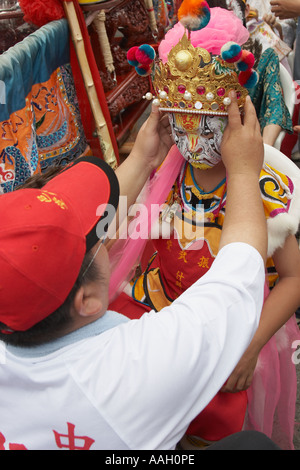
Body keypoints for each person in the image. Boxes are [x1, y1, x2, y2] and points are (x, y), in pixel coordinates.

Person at [0, 94, 278, 450]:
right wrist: (242, 171)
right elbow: (240, 275)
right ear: (86, 300)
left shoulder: (20, 312)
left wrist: (143, 158)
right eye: (94, 241)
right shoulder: (135, 367)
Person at [113, 4, 300, 449]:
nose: (193, 139)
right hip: (162, 312)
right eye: (182, 120)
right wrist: (140, 160)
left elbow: (294, 277)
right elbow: (108, 230)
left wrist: (250, 345)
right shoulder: (164, 171)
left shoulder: (264, 184)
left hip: (230, 334)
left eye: (207, 121)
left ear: (237, 111)